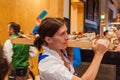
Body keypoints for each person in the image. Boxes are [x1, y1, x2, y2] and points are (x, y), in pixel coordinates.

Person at [34, 17, 110, 80]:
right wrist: (99, 54)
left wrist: (70, 56)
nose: (67, 37)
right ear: (48, 39)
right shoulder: (49, 65)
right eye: (62, 34)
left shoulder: (60, 51)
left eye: (66, 32)